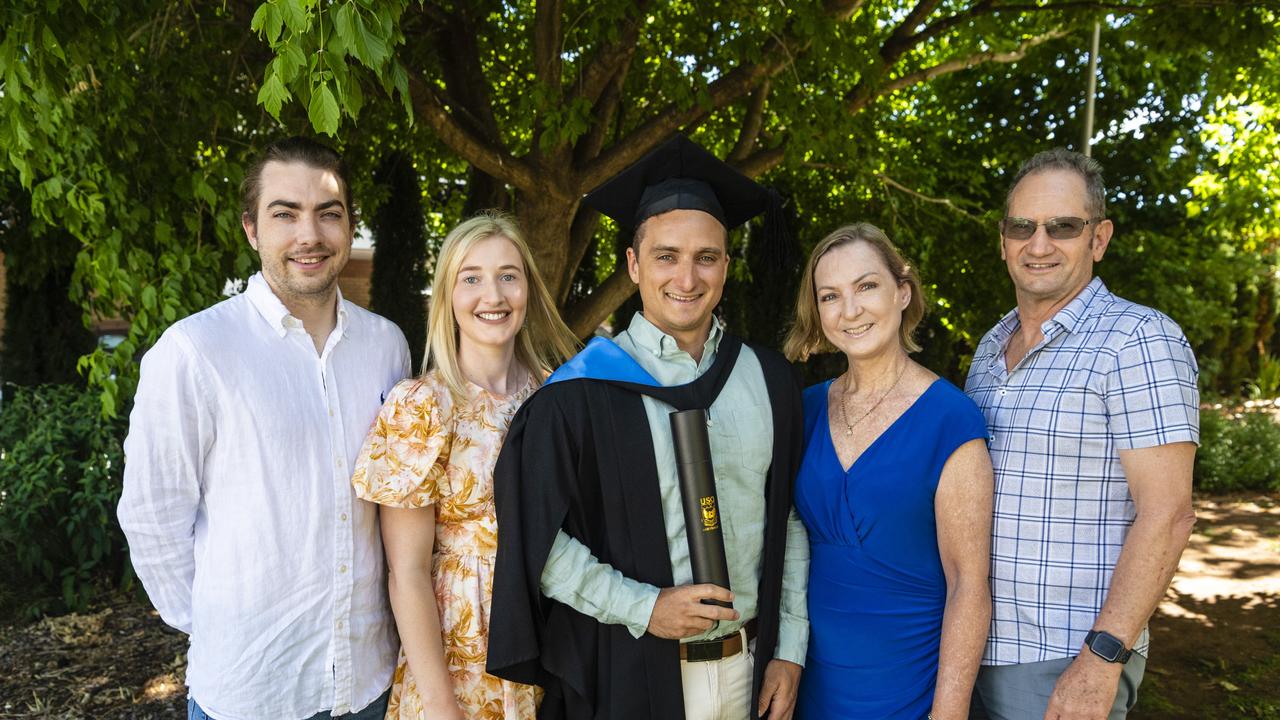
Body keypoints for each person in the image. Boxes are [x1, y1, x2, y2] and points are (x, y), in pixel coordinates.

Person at [486, 134, 809, 720]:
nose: (686, 278)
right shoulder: (579, 393)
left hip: (750, 669)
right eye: (666, 256)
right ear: (634, 265)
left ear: (726, 266)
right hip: (631, 671)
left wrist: (789, 649)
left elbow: (786, 517)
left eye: (706, 257)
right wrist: (644, 607)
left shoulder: (768, 381)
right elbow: (537, 538)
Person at [118, 137, 410, 720]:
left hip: (372, 681)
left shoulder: (387, 345)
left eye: (329, 214)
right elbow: (152, 517)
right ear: (252, 229)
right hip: (252, 692)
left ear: (349, 226)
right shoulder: (195, 352)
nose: (310, 235)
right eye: (285, 214)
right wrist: (224, 622)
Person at [965, 149, 1200, 719]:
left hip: (1064, 657)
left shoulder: (1139, 340)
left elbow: (1168, 514)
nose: (1038, 244)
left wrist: (1102, 658)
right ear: (1003, 240)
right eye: (1022, 226)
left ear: (1099, 238)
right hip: (971, 647)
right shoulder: (990, 349)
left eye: (1063, 226)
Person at [351, 212, 577, 719]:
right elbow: (405, 572)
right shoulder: (424, 405)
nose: (492, 295)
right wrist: (441, 706)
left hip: (551, 638)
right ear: (448, 297)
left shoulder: (556, 394)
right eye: (470, 278)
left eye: (508, 276)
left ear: (528, 290)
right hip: (460, 656)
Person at [782, 223, 993, 719]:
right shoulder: (805, 410)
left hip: (908, 684)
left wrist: (950, 710)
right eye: (830, 295)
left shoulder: (951, 418)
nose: (849, 310)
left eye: (866, 286)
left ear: (903, 291)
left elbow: (969, 582)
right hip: (809, 679)